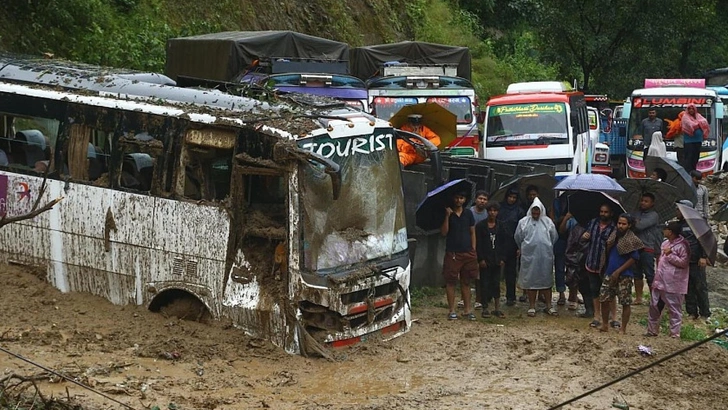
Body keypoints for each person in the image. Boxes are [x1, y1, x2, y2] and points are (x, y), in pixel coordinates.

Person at [598, 213, 643, 334]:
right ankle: (605, 324)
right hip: (609, 272)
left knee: (625, 301)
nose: (621, 226)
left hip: (625, 275)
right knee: (604, 298)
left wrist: (618, 271)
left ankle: (623, 328)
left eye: (623, 224)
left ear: (629, 225)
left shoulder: (632, 239)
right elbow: (607, 253)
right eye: (619, 223)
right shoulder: (613, 236)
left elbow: (634, 258)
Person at [514, 198, 558, 317]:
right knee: (531, 280)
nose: (535, 214)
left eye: (537, 212)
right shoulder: (523, 222)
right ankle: (532, 306)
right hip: (529, 256)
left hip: (545, 256)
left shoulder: (548, 222)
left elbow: (554, 237)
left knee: (546, 280)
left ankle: (549, 306)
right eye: (533, 211)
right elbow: (518, 237)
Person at [647, 221, 690, 338]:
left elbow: (684, 263)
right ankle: (652, 330)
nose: (663, 231)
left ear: (670, 232)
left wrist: (670, 255)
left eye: (665, 229)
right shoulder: (665, 243)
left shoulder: (683, 245)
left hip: (674, 283)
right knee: (654, 305)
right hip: (660, 280)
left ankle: (674, 334)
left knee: (674, 308)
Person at [441, 191, 479, 321]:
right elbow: (444, 232)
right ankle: (451, 310)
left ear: (465, 200)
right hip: (453, 253)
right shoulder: (448, 213)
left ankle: (467, 310)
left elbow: (472, 232)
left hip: (467, 252)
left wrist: (473, 249)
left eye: (461, 198)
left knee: (466, 281)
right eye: (456, 197)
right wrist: (447, 216)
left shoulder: (468, 213)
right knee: (451, 281)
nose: (458, 200)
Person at [676, 200, 712, 320]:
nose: (677, 212)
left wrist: (703, 256)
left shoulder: (697, 223)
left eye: (679, 210)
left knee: (700, 286)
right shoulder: (679, 225)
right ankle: (692, 312)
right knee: (688, 287)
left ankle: (705, 313)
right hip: (685, 260)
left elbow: (704, 240)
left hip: (697, 259)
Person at [582, 204, 616, 328]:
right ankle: (597, 316)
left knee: (610, 291)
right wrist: (585, 236)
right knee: (594, 290)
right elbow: (584, 238)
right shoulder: (593, 223)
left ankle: (614, 318)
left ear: (611, 213)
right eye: (601, 211)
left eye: (606, 212)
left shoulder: (614, 227)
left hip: (607, 264)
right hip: (592, 261)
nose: (603, 214)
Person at [475, 202, 508, 318]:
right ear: (487, 212)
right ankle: (485, 307)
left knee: (496, 283)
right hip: (485, 259)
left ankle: (497, 308)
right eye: (490, 210)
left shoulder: (501, 226)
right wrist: (481, 259)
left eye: (495, 211)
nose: (492, 213)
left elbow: (504, 243)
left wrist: (503, 258)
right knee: (484, 283)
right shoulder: (480, 226)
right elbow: (478, 244)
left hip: (497, 259)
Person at [631, 193, 662, 305]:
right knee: (636, 273)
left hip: (647, 247)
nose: (643, 203)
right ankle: (639, 297)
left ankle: (654, 298)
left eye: (646, 201)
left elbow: (640, 226)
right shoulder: (636, 212)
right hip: (635, 246)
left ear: (652, 203)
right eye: (642, 200)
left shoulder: (654, 215)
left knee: (649, 274)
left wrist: (635, 221)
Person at [497, 188, 524, 306]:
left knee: (511, 272)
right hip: (499, 242)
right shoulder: (499, 208)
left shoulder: (519, 211)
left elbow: (521, 229)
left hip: (513, 243)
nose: (511, 199)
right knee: (494, 270)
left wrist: (519, 246)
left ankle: (511, 296)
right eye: (510, 197)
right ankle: (492, 295)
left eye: (514, 197)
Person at [469, 189, 489, 310]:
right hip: (468, 245)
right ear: (475, 199)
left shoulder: (488, 214)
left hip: (483, 246)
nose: (482, 201)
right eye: (480, 198)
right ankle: (463, 298)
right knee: (466, 273)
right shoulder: (469, 212)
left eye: (485, 199)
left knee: (479, 275)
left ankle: (478, 299)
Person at [681, 104, 710, 172]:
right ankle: (688, 172)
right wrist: (698, 124)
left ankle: (694, 171)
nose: (691, 110)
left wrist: (698, 123)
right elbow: (690, 125)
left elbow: (705, 122)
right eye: (689, 109)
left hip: (698, 140)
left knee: (696, 157)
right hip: (689, 141)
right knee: (689, 157)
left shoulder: (698, 116)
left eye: (692, 109)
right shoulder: (685, 117)